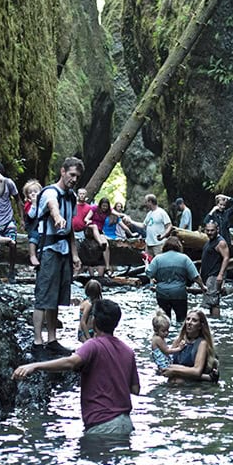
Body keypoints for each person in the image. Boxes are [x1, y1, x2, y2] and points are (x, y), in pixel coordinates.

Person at [14, 298, 140, 437]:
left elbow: (71, 363)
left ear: (94, 320)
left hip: (102, 425)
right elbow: (135, 389)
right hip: (126, 423)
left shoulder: (93, 345)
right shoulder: (128, 351)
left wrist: (36, 366)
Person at [31, 157, 84, 354]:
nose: (74, 179)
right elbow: (52, 206)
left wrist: (75, 255)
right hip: (49, 250)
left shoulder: (71, 197)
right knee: (43, 295)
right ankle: (37, 342)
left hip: (64, 252)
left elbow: (69, 228)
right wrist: (57, 216)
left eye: (77, 176)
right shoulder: (50, 192)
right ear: (62, 171)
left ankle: (52, 339)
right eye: (71, 175)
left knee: (56, 297)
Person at [145, 235, 205, 323]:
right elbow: (195, 276)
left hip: (162, 294)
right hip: (179, 294)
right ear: (179, 246)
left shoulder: (158, 259)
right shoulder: (184, 258)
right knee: (181, 320)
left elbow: (149, 273)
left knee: (164, 320)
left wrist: (147, 264)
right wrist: (203, 286)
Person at [161, 309, 219, 383]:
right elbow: (168, 363)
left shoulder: (202, 343)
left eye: (194, 320)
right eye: (188, 319)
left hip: (191, 387)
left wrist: (174, 371)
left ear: (200, 326)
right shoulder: (178, 340)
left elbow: (197, 371)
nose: (189, 322)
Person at [0, 163, 20, 279]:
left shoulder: (9, 183)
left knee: (13, 244)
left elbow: (18, 200)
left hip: (8, 219)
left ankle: (11, 271)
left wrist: (22, 219)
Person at [200, 220, 230, 318]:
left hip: (214, 275)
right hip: (208, 275)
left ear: (217, 229)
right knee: (210, 301)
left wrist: (220, 275)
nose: (209, 233)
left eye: (212, 230)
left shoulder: (220, 242)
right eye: (207, 230)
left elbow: (226, 258)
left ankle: (217, 321)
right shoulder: (210, 241)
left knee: (214, 302)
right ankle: (213, 320)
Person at [141, 194, 172, 259]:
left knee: (159, 262)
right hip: (149, 244)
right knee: (148, 262)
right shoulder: (149, 213)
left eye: (146, 202)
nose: (145, 204)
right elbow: (143, 225)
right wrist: (131, 221)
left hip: (158, 244)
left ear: (150, 202)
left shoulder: (161, 212)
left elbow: (169, 225)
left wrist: (163, 236)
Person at [22, 179, 42, 267]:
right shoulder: (28, 205)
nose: (33, 193)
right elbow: (31, 215)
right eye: (30, 192)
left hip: (41, 227)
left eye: (35, 191)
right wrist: (34, 204)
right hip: (32, 226)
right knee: (34, 236)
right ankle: (32, 255)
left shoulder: (43, 203)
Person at [150, 308, 174, 373]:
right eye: (163, 331)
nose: (166, 333)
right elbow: (167, 351)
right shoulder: (158, 339)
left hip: (161, 363)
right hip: (163, 364)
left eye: (167, 330)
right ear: (156, 330)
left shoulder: (155, 337)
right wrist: (179, 348)